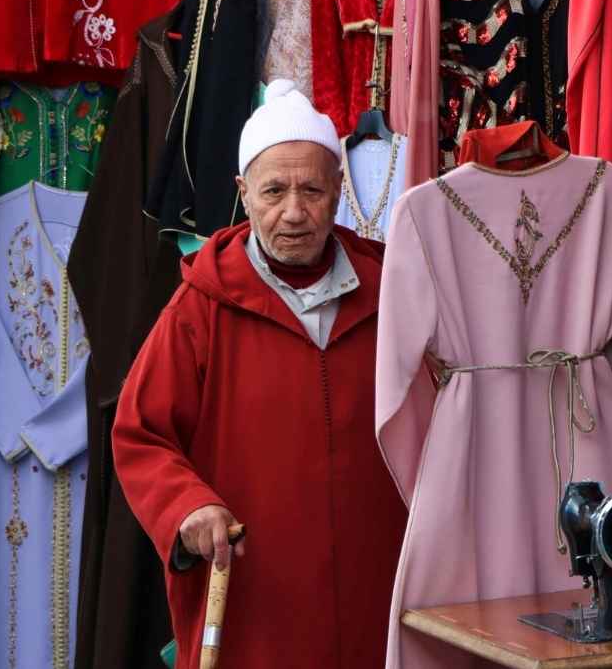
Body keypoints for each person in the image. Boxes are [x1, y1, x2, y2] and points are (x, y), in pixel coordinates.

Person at [112, 79, 408, 668]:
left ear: (339, 190)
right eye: (273, 191)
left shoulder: (392, 289)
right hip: (257, 599)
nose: (293, 213)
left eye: (312, 190)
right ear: (243, 193)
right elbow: (141, 433)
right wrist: (187, 508)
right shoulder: (202, 304)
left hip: (382, 587)